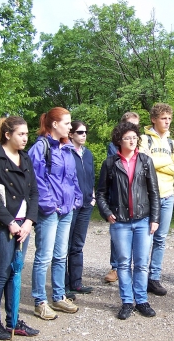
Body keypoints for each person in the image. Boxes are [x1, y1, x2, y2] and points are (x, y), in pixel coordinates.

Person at [0, 116, 39, 340]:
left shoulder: (25, 157)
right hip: (2, 224)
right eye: (21, 134)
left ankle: (13, 322)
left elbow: (34, 193)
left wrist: (29, 223)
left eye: (26, 134)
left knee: (15, 273)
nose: (25, 138)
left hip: (24, 225)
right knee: (2, 272)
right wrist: (12, 223)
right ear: (8, 135)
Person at [96, 121, 161, 320]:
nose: (132, 141)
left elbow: (154, 193)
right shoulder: (110, 163)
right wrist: (107, 212)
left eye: (134, 137)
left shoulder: (145, 161)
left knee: (141, 263)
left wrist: (155, 218)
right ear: (119, 140)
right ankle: (127, 302)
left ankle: (141, 300)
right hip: (120, 222)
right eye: (127, 138)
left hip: (143, 220)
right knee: (123, 264)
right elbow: (100, 193)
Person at [28, 107, 83, 320]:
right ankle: (39, 302)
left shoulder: (67, 148)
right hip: (49, 211)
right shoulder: (40, 148)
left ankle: (59, 296)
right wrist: (50, 206)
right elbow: (37, 181)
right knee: (44, 257)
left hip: (67, 210)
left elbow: (72, 178)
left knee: (60, 256)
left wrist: (76, 198)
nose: (70, 127)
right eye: (67, 123)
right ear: (54, 124)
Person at [139, 103, 174, 296]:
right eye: (163, 118)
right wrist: (168, 163)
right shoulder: (143, 140)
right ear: (154, 119)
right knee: (146, 238)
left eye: (169, 118)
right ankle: (140, 277)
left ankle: (154, 278)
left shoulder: (173, 144)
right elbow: (143, 162)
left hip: (167, 196)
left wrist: (156, 164)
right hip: (148, 196)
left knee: (161, 239)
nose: (167, 122)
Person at [104, 111, 140, 283]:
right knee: (117, 233)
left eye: (136, 126)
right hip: (118, 197)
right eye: (130, 125)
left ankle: (137, 272)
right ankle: (116, 267)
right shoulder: (114, 147)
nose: (133, 132)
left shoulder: (141, 146)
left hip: (139, 200)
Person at [65, 120, 96, 296]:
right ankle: (63, 285)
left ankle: (76, 283)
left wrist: (91, 197)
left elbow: (91, 176)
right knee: (65, 246)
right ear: (71, 134)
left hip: (86, 205)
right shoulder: (66, 152)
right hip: (71, 206)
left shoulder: (88, 154)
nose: (84, 135)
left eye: (85, 132)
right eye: (80, 132)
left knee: (77, 245)